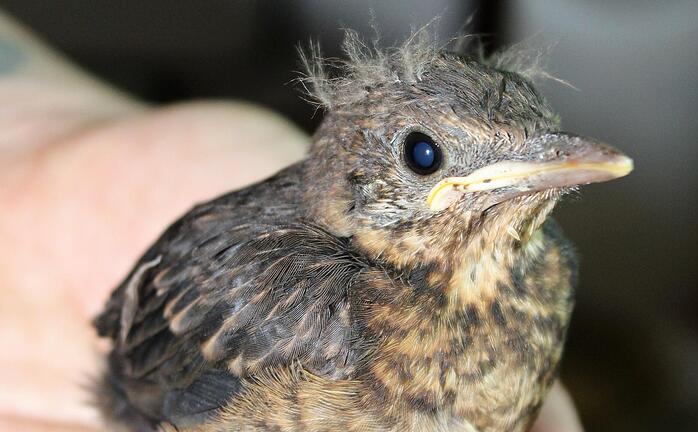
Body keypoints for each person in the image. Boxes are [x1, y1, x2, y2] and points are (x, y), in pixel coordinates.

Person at [0, 9, 582, 431]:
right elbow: (150, 391)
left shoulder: (547, 275)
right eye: (423, 156)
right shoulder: (304, 299)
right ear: (357, 170)